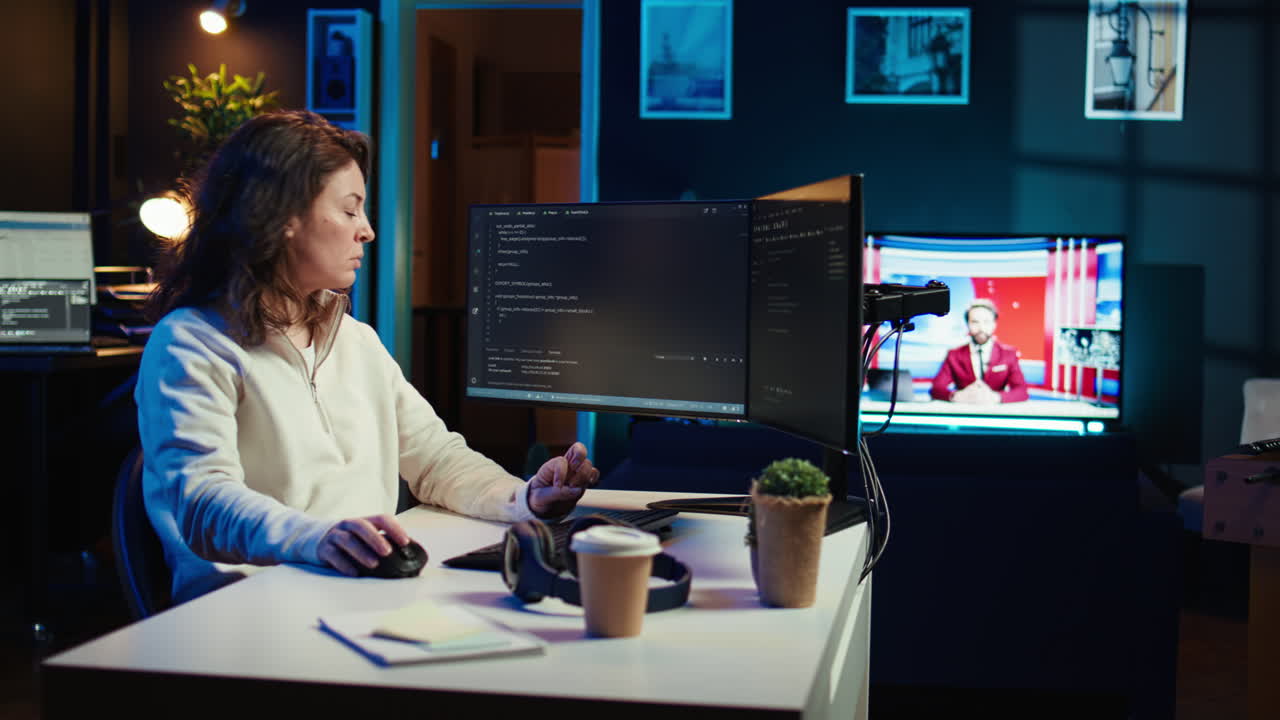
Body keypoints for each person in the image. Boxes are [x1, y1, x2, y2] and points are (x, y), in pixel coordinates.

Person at [136, 110, 599, 604]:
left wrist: (526, 499)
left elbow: (437, 459)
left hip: (360, 592)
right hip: (246, 609)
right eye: (351, 209)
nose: (368, 231)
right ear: (283, 217)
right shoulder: (189, 344)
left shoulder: (355, 341)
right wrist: (315, 539)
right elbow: (202, 502)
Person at [929, 298, 1029, 404]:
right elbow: (936, 389)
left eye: (986, 322)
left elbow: (1022, 391)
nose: (981, 328)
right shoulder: (954, 355)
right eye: (975, 322)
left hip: (996, 412)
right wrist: (957, 396)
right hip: (964, 412)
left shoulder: (1008, 355)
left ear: (994, 324)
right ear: (967, 324)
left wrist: (996, 397)